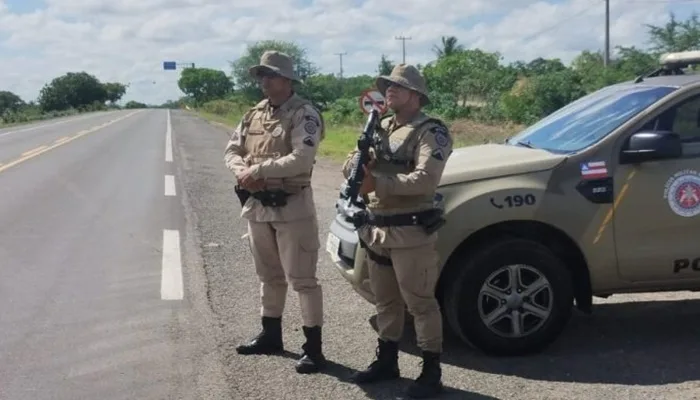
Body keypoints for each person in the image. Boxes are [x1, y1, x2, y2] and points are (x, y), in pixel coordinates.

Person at [342, 64, 453, 398]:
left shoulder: (430, 131)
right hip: (377, 229)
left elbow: (426, 179)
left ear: (416, 96)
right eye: (387, 85)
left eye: (398, 87)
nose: (389, 90)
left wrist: (379, 182)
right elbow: (355, 163)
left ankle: (431, 373)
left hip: (410, 231)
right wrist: (358, 164)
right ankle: (387, 361)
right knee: (385, 301)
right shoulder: (381, 125)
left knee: (419, 303)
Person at [223, 50, 326, 374]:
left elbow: (301, 159)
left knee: (303, 279)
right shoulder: (253, 114)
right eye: (261, 76)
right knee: (268, 275)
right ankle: (271, 336)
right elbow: (232, 149)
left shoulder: (304, 114)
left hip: (292, 206)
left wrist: (260, 170)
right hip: (257, 206)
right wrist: (242, 170)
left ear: (286, 79)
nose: (263, 81)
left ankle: (313, 349)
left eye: (270, 75)